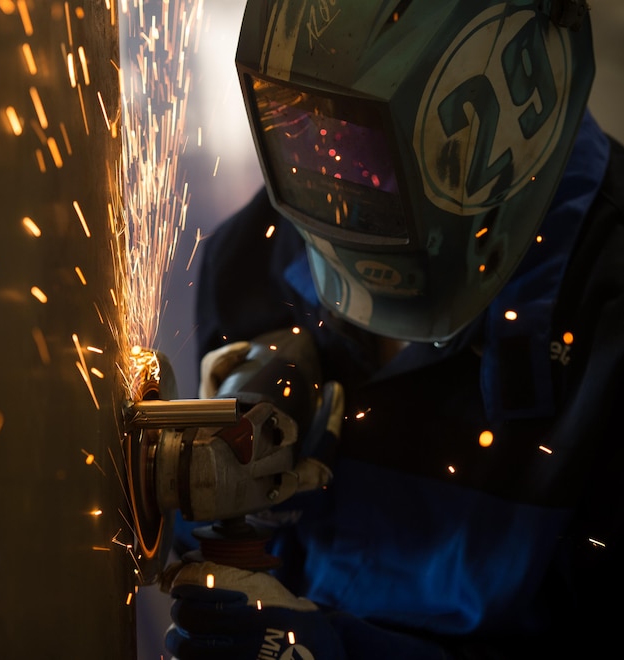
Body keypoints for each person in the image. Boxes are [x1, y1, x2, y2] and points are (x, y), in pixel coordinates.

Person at [161, 0, 624, 657]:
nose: (339, 180)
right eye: (305, 130)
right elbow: (211, 565)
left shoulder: (604, 321)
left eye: (367, 148)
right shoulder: (254, 264)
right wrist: (219, 502)